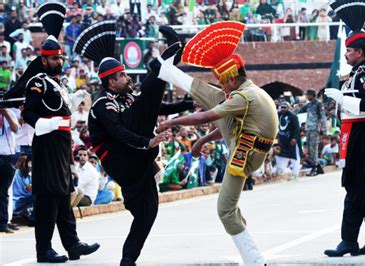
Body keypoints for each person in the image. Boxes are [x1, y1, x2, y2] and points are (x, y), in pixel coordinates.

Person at [155, 22, 278, 264]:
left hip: (244, 155)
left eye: (223, 81)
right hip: (247, 144)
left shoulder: (244, 97)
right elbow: (229, 125)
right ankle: (168, 72)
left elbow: (207, 116)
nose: (221, 86)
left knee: (225, 211)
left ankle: (255, 261)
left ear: (232, 78)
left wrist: (170, 122)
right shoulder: (251, 93)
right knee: (217, 98)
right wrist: (202, 139)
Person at [76, 22, 193, 266]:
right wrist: (148, 141)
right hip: (121, 158)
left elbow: (152, 107)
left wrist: (185, 105)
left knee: (147, 212)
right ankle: (161, 63)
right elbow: (118, 132)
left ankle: (128, 259)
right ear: (110, 82)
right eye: (123, 76)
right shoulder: (102, 105)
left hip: (137, 160)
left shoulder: (126, 96)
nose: (128, 78)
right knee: (149, 92)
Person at [20, 2, 99, 262]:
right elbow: (28, 113)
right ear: (43, 59)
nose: (59, 62)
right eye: (54, 58)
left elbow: (62, 110)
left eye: (60, 58)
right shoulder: (38, 82)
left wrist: (74, 101)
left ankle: (73, 245)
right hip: (47, 144)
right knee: (48, 199)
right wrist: (51, 124)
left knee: (64, 196)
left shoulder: (56, 83)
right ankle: (44, 250)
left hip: (62, 145)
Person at [324, 0, 365, 257]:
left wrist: (341, 98)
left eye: (349, 51)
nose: (346, 54)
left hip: (363, 136)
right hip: (358, 135)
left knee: (356, 189)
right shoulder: (358, 72)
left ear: (360, 52)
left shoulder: (364, 74)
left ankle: (349, 240)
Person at [294, 88, 327, 176]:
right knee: (309, 149)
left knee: (313, 149)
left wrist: (324, 130)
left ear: (312, 95)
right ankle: (319, 168)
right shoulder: (309, 104)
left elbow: (323, 117)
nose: (307, 96)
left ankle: (314, 169)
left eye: (308, 94)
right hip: (308, 129)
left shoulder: (318, 104)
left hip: (315, 129)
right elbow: (300, 110)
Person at [0, 107, 18, 233]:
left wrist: (5, 114)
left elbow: (15, 128)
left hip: (6, 157)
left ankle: (3, 222)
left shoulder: (10, 112)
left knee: (3, 192)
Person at [275, 102, 302, 180]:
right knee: (280, 155)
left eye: (285, 107)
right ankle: (280, 171)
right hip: (283, 140)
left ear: (288, 108)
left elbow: (297, 128)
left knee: (295, 157)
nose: (283, 109)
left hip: (292, 140)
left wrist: (294, 138)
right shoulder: (278, 115)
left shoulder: (293, 116)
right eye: (281, 107)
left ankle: (295, 174)